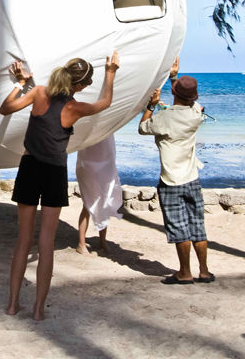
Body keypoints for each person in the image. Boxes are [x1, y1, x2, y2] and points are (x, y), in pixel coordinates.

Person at [0, 52, 119, 320]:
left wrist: (21, 83)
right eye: (86, 84)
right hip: (54, 173)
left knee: (23, 241)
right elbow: (106, 103)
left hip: (29, 169)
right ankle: (39, 310)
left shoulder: (38, 93)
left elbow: (5, 108)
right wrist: (111, 72)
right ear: (79, 85)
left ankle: (12, 305)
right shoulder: (75, 108)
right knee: (46, 242)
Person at [138, 58, 214, 285]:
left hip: (170, 180)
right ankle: (204, 271)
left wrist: (151, 105)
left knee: (179, 227)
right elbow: (187, 101)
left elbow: (142, 128)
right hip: (192, 178)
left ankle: (184, 273)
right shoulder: (196, 114)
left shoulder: (165, 118)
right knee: (197, 226)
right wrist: (174, 76)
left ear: (175, 93)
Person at [75, 134, 122, 255]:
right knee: (87, 203)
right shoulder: (90, 120)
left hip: (107, 162)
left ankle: (102, 241)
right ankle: (81, 244)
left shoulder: (108, 121)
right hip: (88, 163)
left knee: (105, 202)